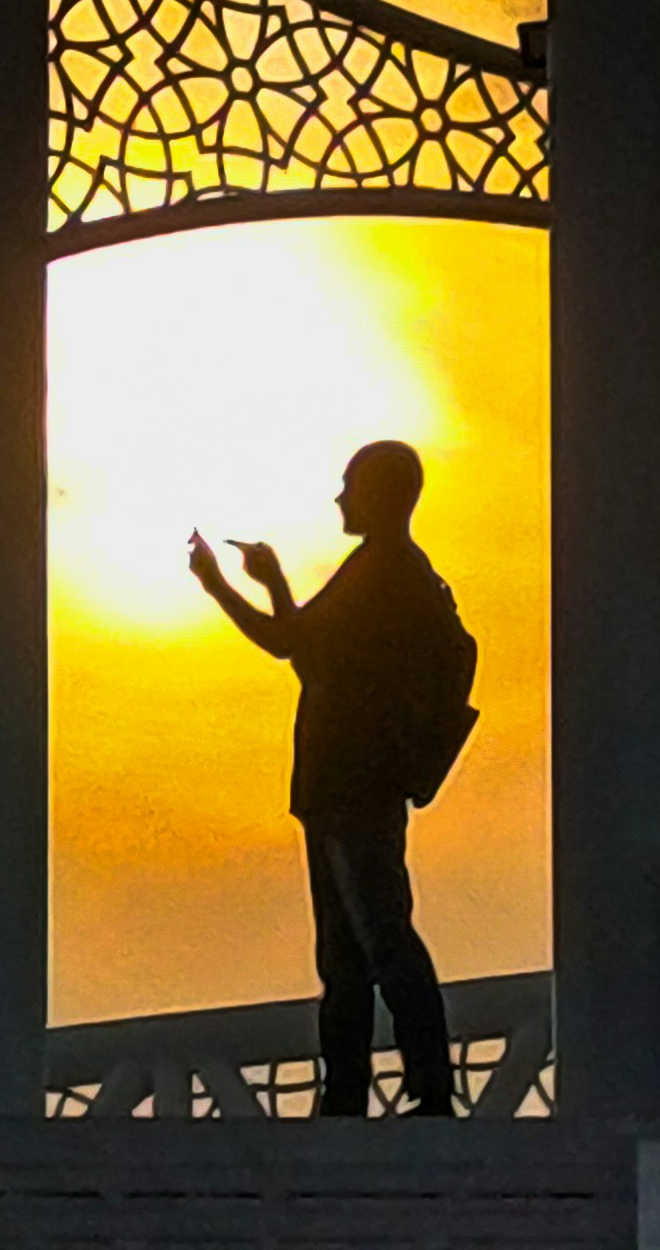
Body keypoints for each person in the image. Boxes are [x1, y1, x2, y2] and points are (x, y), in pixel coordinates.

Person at [187, 440, 476, 1117]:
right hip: (341, 786)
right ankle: (350, 1092)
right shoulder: (389, 571)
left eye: (349, 486)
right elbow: (310, 649)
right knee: (347, 950)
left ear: (379, 495)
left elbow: (291, 645)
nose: (339, 498)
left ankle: (422, 1091)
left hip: (354, 784)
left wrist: (219, 585)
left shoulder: (384, 573)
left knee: (379, 938)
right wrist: (270, 581)